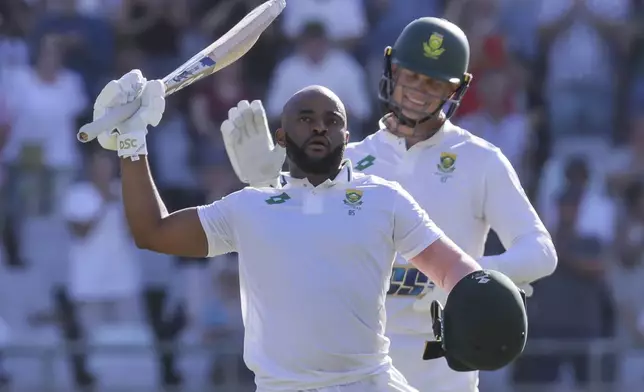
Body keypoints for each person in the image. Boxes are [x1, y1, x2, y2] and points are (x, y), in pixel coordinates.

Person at [91, 70, 527, 392]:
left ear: (346, 132)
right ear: (281, 136)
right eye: (305, 117)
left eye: (331, 118)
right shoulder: (250, 206)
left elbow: (454, 270)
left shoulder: (385, 199)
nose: (319, 125)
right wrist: (133, 142)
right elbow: (152, 232)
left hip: (369, 382)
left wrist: (483, 299)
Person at [219, 17, 557, 392]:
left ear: (455, 89)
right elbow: (293, 241)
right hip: (356, 372)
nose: (418, 91)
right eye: (410, 76)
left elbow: (541, 251)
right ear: (391, 70)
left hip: (443, 370)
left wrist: (466, 280)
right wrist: (264, 186)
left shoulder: (480, 160)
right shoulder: (350, 157)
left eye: (434, 83)